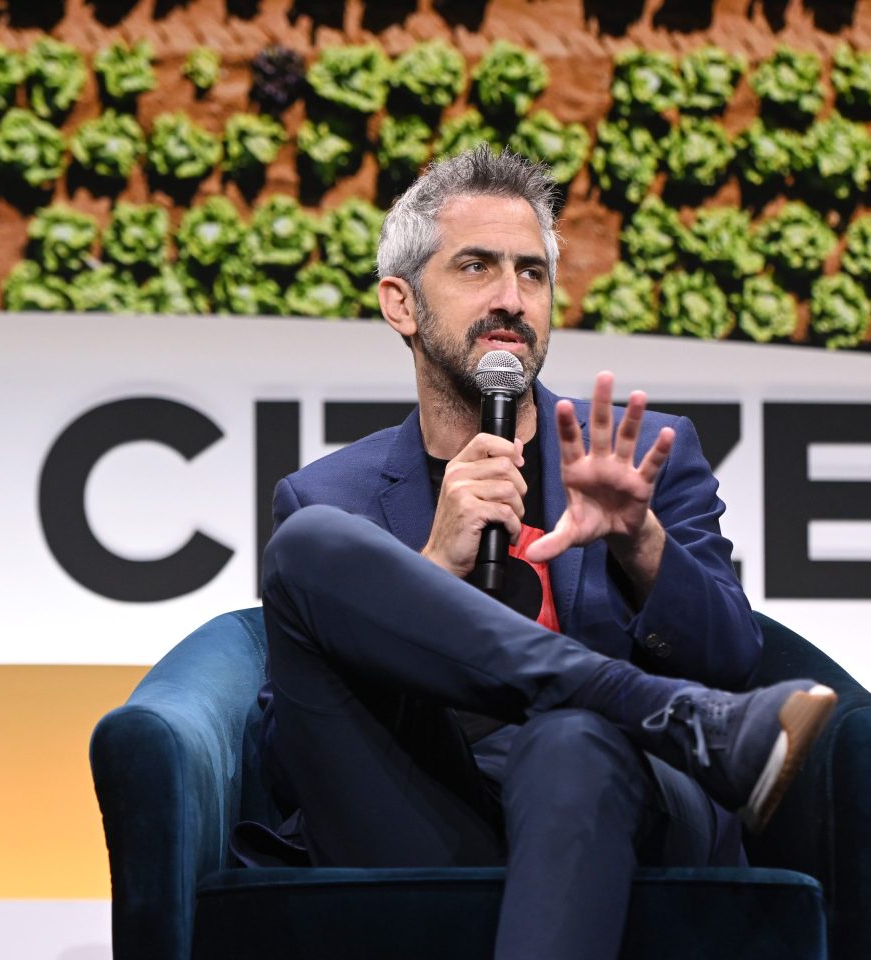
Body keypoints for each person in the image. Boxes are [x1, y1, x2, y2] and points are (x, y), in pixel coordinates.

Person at [256, 145, 835, 960]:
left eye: (532, 273)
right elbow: (289, 753)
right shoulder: (329, 496)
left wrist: (640, 540)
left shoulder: (644, 456)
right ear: (401, 303)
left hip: (606, 793)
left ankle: (622, 712)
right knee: (309, 543)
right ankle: (654, 708)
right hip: (422, 802)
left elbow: (732, 657)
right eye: (476, 267)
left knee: (567, 742)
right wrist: (431, 563)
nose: (511, 298)